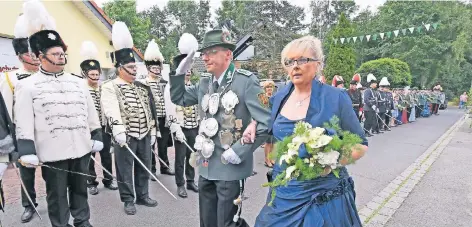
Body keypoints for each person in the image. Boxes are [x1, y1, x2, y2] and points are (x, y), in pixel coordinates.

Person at [254, 35, 368, 227]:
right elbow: (268, 128)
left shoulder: (336, 97)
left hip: (323, 195)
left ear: (318, 64)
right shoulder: (279, 97)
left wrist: (329, 161)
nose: (295, 66)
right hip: (284, 193)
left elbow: (360, 144)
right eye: (290, 61)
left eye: (303, 60)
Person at [169, 30, 270, 227]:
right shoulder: (205, 83)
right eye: (204, 53)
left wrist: (239, 151)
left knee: (227, 223)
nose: (205, 57)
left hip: (231, 167)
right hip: (206, 166)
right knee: (207, 222)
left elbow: (266, 122)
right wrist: (179, 72)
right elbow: (178, 97)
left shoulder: (246, 81)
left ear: (228, 55)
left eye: (212, 52)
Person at [15, 2, 102, 226]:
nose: (61, 57)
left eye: (62, 53)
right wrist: (27, 149)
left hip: (81, 147)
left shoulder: (78, 82)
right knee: (57, 195)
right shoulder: (28, 85)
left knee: (80, 189)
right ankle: (60, 224)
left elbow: (90, 111)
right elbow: (23, 120)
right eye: (55, 53)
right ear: (40, 56)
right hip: (52, 151)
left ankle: (82, 221)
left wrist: (96, 134)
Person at [101, 22, 159, 215]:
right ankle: (128, 199)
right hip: (124, 136)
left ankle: (143, 195)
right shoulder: (110, 86)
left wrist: (152, 130)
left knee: (143, 166)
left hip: (144, 134)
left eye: (135, 67)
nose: (135, 70)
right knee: (124, 169)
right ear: (120, 68)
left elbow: (150, 111)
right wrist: (118, 129)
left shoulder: (142, 87)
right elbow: (110, 109)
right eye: (131, 67)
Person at [0, 13, 40, 223]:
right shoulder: (8, 77)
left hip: (46, 129)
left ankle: (58, 203)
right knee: (27, 172)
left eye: (36, 53)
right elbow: (6, 109)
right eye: (29, 54)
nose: (34, 57)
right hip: (22, 131)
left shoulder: (46, 74)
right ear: (19, 55)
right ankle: (29, 204)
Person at [79, 41, 118, 195]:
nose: (95, 77)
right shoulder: (81, 88)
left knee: (106, 155)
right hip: (89, 129)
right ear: (85, 74)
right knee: (90, 157)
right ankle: (91, 182)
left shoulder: (104, 88)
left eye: (97, 74)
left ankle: (108, 179)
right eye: (92, 74)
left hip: (104, 127)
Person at [142, 40, 175, 178]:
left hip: (164, 119)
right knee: (150, 146)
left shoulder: (165, 83)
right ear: (149, 69)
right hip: (151, 120)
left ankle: (164, 166)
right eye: (154, 68)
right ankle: (151, 169)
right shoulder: (143, 83)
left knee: (162, 146)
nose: (157, 70)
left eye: (158, 68)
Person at [166, 70, 199, 198]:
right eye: (186, 70)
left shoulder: (194, 87)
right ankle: (180, 184)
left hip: (194, 126)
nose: (188, 72)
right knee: (180, 157)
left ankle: (190, 181)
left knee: (192, 155)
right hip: (180, 127)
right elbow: (170, 109)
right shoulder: (173, 88)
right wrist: (176, 129)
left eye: (190, 70)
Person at [262, 80, 276, 167]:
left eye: (270, 87)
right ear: (265, 89)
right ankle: (266, 160)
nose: (269, 89)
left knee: (273, 142)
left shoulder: (274, 97)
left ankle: (271, 158)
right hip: (267, 122)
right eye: (267, 87)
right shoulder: (263, 98)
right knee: (268, 142)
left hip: (274, 121)